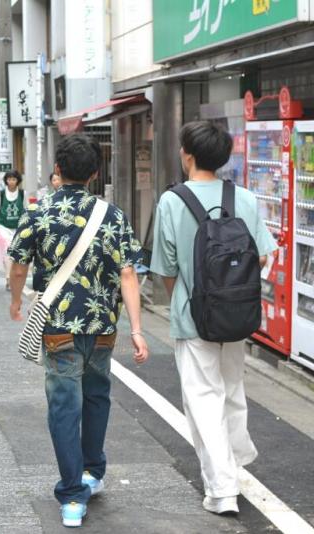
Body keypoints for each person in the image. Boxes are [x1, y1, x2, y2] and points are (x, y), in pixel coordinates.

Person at [8, 134, 148, 528]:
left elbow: (18, 266)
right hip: (103, 326)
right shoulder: (113, 215)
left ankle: (72, 496)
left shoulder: (38, 213)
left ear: (57, 169)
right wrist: (137, 329)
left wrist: (16, 302)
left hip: (57, 329)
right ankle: (93, 471)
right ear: (95, 174)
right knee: (97, 396)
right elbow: (128, 272)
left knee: (64, 406)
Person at [150, 121, 277, 515]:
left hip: (194, 318)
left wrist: (184, 301)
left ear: (187, 154)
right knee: (232, 389)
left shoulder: (172, 201)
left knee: (204, 398)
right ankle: (234, 460)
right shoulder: (244, 197)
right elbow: (261, 256)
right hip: (236, 314)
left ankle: (223, 489)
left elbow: (167, 269)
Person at [0, 169, 27, 290]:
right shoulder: (1, 194)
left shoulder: (23, 194)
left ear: (17, 180)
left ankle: (14, 277)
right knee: (8, 250)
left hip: (18, 227)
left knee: (17, 253)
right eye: (9, 179)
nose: (11, 181)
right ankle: (8, 277)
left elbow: (27, 210)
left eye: (14, 179)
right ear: (6, 181)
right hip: (3, 226)